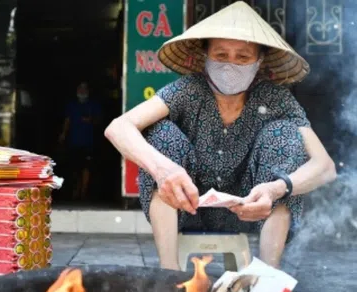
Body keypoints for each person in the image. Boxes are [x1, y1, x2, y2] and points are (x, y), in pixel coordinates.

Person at [105, 2, 337, 270]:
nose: (230, 65)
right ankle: (169, 276)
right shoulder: (189, 90)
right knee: (161, 133)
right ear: (205, 57)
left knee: (285, 134)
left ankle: (267, 277)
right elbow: (118, 128)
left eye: (243, 57)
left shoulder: (276, 98)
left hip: (251, 211)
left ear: (259, 62)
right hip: (186, 206)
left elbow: (325, 166)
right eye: (221, 55)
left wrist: (275, 189)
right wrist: (163, 169)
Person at [60, 81, 102, 201]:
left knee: (86, 167)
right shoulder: (71, 105)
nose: (82, 91)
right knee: (74, 168)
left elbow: (100, 122)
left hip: (89, 141)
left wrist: (91, 120)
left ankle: (83, 192)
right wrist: (63, 134)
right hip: (73, 141)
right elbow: (67, 121)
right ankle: (75, 191)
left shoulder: (94, 105)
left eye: (85, 89)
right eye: (80, 89)